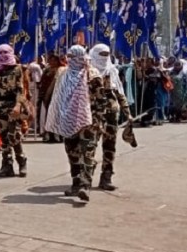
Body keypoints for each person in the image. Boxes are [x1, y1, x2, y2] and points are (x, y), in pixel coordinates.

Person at [45, 45, 104, 203]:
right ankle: (76, 183)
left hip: (88, 123)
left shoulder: (92, 75)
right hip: (69, 121)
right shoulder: (64, 75)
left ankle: (85, 186)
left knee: (87, 154)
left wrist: (97, 122)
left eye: (73, 56)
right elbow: (59, 97)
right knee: (72, 153)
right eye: (69, 56)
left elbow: (100, 101)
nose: (70, 60)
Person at [88, 44, 134, 191]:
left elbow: (119, 93)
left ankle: (106, 177)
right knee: (89, 145)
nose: (104, 56)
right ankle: (86, 178)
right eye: (101, 53)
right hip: (93, 115)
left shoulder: (112, 70)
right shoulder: (88, 72)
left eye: (107, 53)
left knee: (109, 146)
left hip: (111, 115)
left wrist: (127, 112)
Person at [0, 44, 30, 178]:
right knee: (4, 137)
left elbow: (20, 90)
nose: (3, 55)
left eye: (6, 52)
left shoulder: (17, 69)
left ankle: (22, 162)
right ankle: (7, 165)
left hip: (13, 105)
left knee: (14, 135)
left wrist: (18, 105)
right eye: (1, 52)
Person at [27, 57, 43, 135]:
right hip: (30, 87)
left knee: (35, 106)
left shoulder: (37, 67)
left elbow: (40, 77)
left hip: (35, 87)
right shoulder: (30, 67)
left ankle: (35, 124)